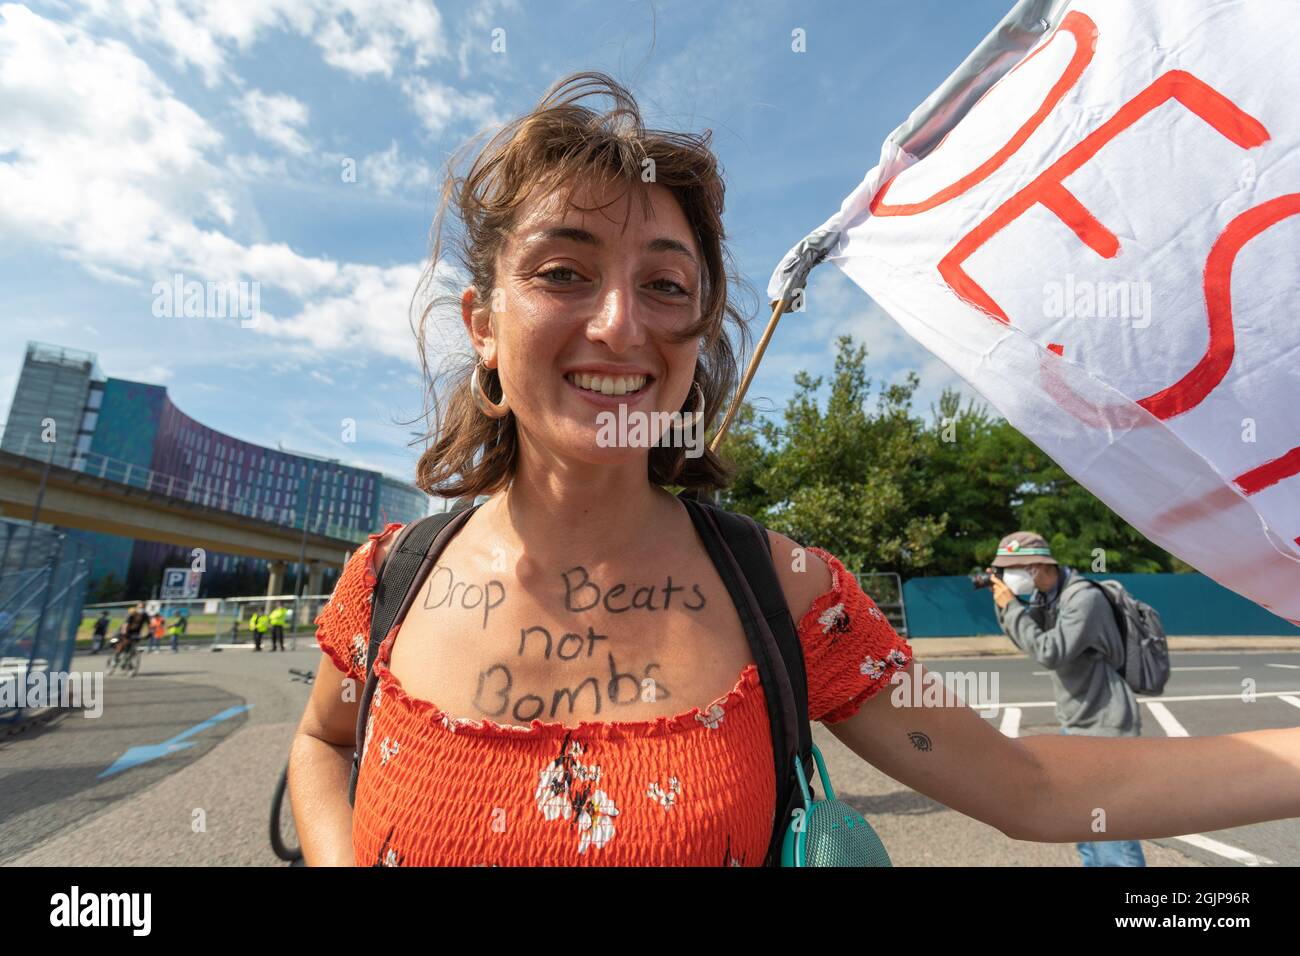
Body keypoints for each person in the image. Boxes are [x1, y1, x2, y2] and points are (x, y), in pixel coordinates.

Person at [288, 72, 1300, 867]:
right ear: (483, 325)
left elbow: (1030, 782)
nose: (618, 323)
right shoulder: (388, 578)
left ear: (696, 335)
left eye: (665, 284)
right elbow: (322, 743)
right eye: (563, 270)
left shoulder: (788, 590)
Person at [987, 531, 1146, 867]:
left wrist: (1012, 608)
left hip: (1106, 725)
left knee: (1111, 836)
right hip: (1078, 721)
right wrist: (1007, 607)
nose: (1005, 577)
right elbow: (1029, 639)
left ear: (1034, 567)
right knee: (1086, 830)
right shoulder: (1049, 597)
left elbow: (1049, 651)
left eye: (1008, 570)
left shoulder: (1082, 598)